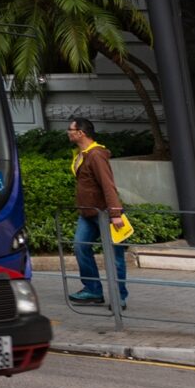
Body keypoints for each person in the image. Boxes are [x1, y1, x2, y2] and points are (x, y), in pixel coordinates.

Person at [67, 116, 128, 310]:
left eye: (70, 129)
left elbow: (108, 185)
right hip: (87, 213)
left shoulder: (96, 154)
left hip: (104, 213)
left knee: (115, 256)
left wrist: (115, 212)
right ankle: (93, 290)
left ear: (80, 133)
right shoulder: (82, 153)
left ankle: (119, 297)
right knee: (80, 247)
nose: (68, 133)